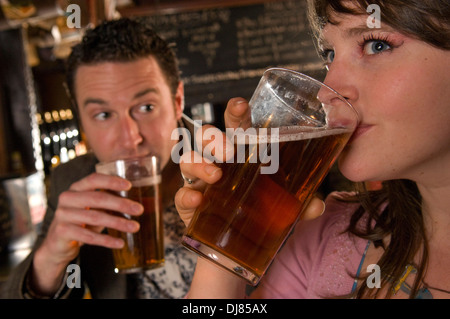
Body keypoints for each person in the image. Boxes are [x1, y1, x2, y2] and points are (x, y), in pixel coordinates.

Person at [174, 0, 450, 299]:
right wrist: (228, 233)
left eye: (376, 46)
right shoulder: (330, 236)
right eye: (330, 56)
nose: (327, 90)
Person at [1, 17, 199, 299]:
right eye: (104, 115)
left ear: (177, 100)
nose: (130, 138)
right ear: (82, 122)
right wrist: (50, 262)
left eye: (146, 107)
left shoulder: (232, 165)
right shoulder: (73, 181)